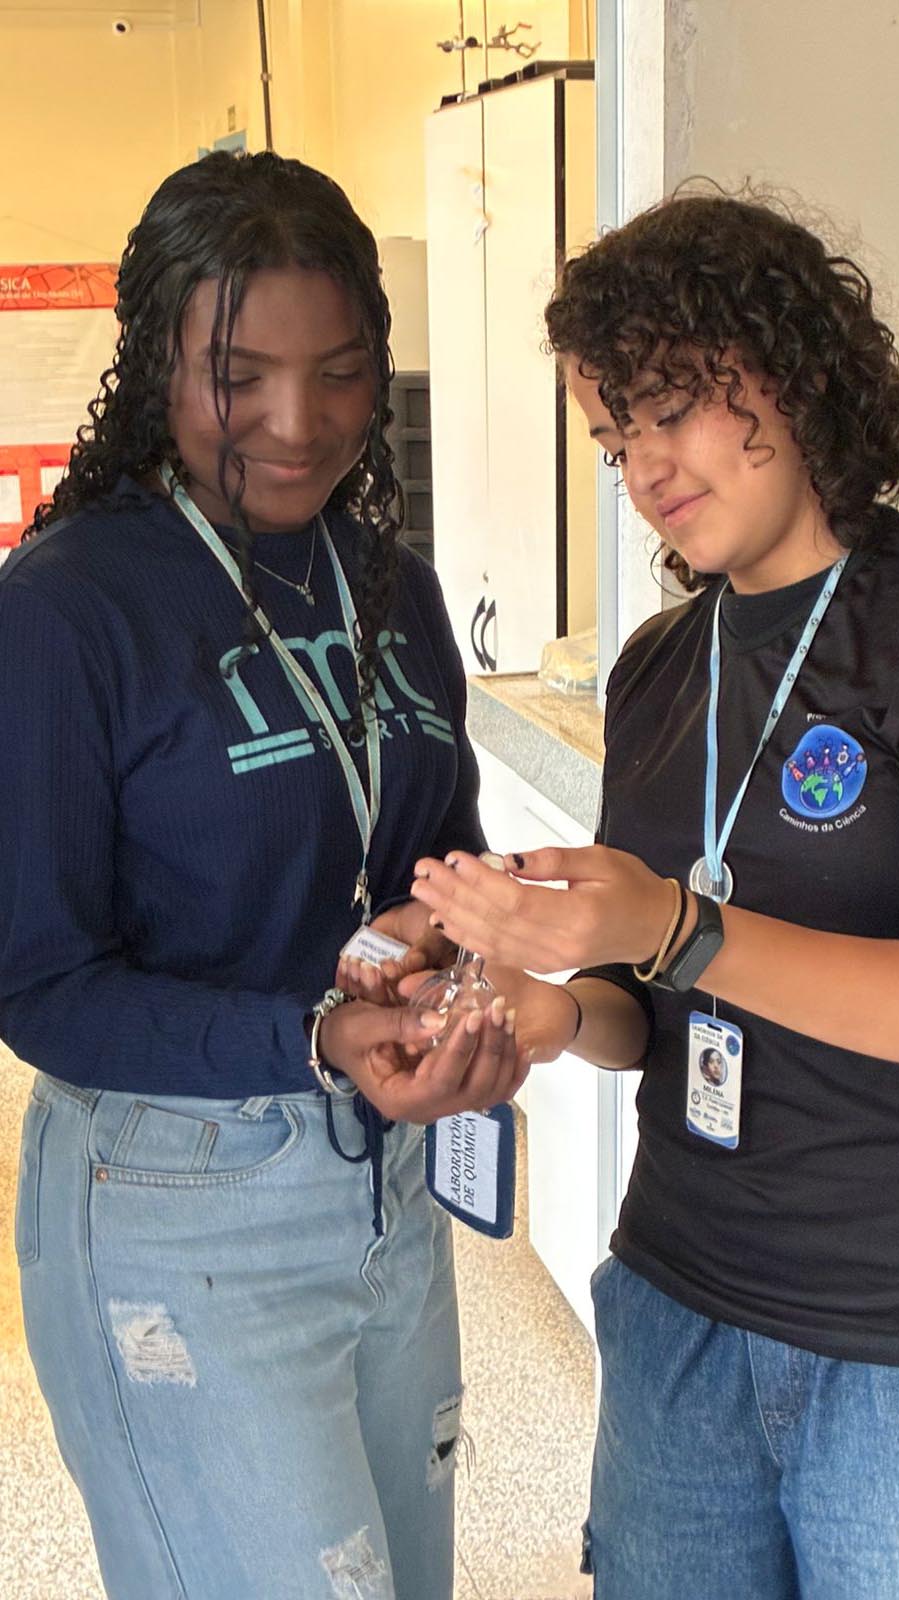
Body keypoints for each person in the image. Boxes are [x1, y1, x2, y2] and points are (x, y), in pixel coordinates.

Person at [405, 190, 899, 1599]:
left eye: (670, 411)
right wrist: (550, 1008)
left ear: (792, 369)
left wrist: (671, 924)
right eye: (613, 439)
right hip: (680, 1306)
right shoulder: (661, 663)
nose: (643, 468)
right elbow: (645, 1009)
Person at [1, 150, 528, 1600]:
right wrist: (309, 1034)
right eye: (239, 376)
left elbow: (434, 858)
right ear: (157, 363)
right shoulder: (67, 609)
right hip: (178, 1199)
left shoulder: (393, 585)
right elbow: (39, 986)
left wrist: (440, 970)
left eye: (343, 372)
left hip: (386, 1185)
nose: (301, 426)